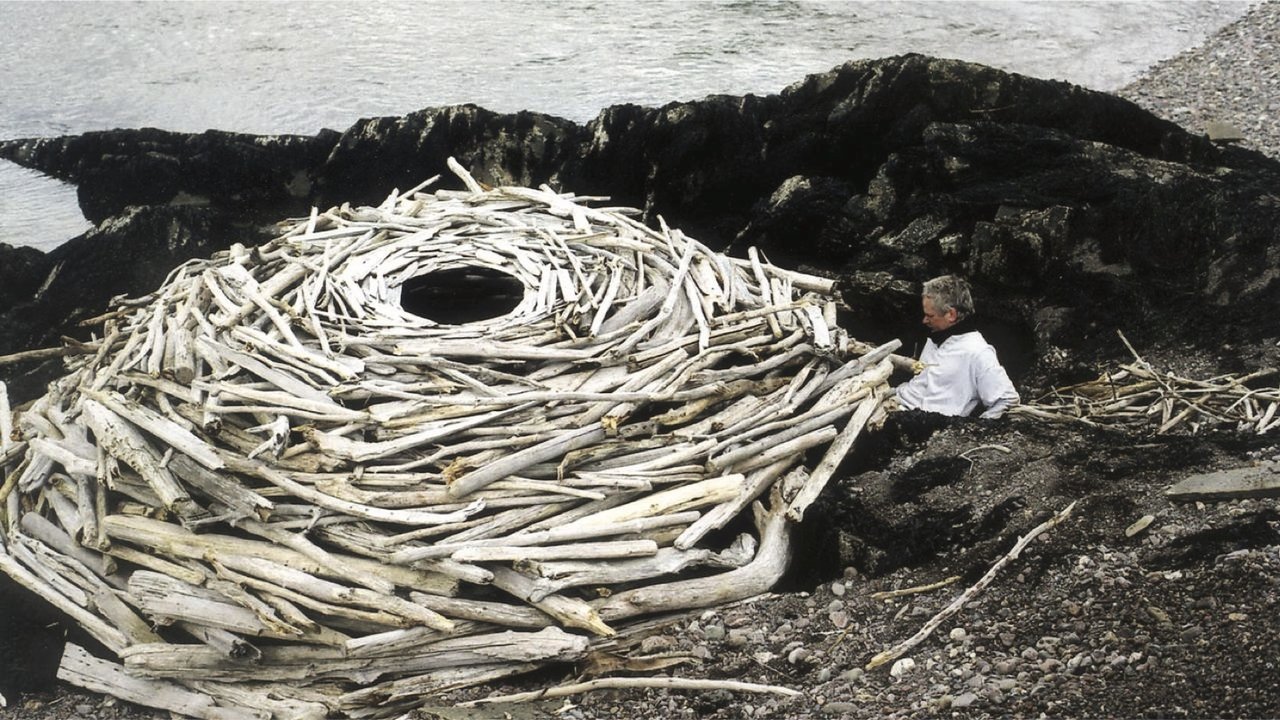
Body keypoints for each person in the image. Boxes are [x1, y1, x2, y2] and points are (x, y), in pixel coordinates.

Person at [894, 275, 1019, 419]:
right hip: (895, 404)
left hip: (926, 423)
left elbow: (1007, 399)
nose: (924, 320)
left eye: (930, 316)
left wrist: (976, 429)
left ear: (951, 314)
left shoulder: (978, 352)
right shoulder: (935, 337)